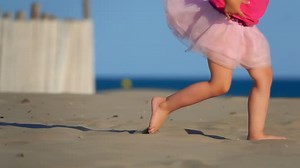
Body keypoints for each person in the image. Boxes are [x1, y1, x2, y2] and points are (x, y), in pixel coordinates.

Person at [147, 0, 286, 140]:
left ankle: (256, 133)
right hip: (226, 24)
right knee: (220, 85)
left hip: (246, 27)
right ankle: (164, 105)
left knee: (264, 78)